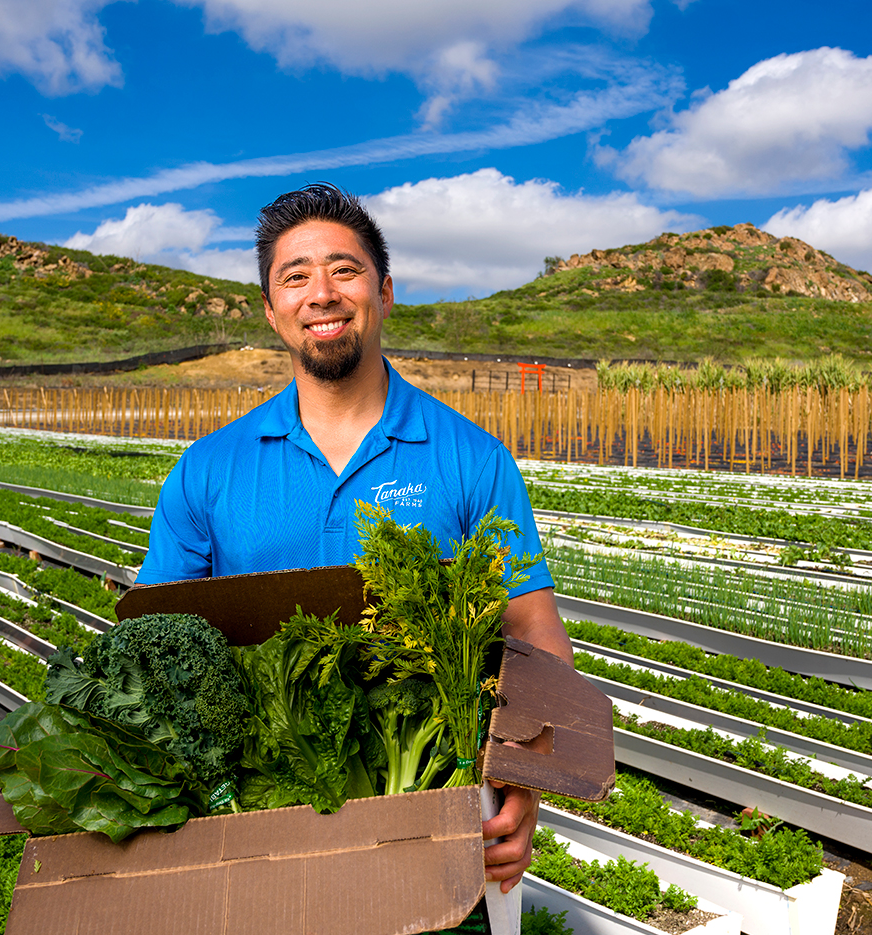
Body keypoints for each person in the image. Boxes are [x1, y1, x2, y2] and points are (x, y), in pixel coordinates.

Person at [137, 182, 573, 894]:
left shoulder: (470, 457)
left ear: (385, 291)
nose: (322, 293)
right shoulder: (208, 471)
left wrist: (528, 776)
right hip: (262, 822)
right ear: (272, 311)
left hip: (439, 807)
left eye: (344, 270)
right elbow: (156, 640)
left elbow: (533, 628)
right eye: (295, 276)